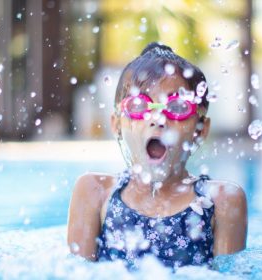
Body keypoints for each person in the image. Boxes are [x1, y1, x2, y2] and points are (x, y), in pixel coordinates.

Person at [67, 42, 247, 269]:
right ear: (116, 125)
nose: (158, 119)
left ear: (200, 129)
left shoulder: (222, 200)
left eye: (178, 107)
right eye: (138, 105)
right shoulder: (94, 191)